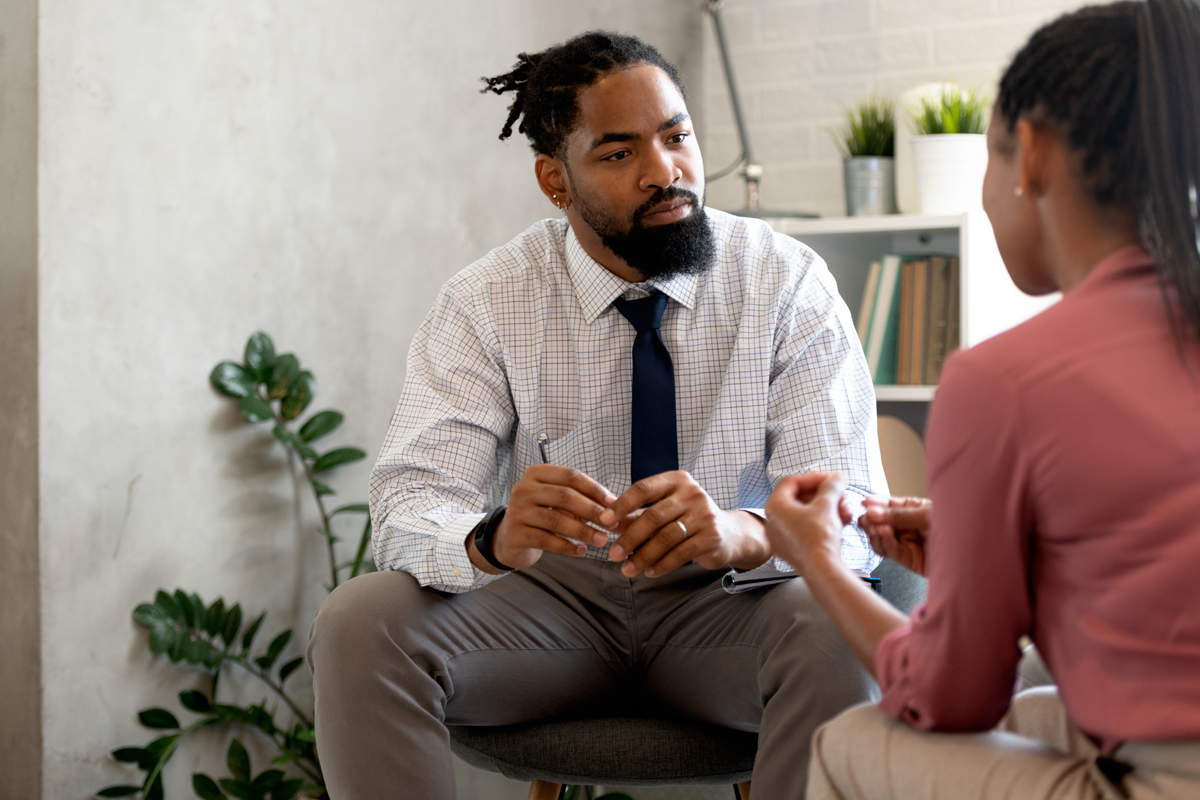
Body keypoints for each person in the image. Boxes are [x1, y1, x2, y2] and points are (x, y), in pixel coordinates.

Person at [306, 30, 889, 799]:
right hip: (551, 610)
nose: (664, 172)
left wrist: (743, 531)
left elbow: (851, 514)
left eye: (676, 137)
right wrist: (492, 537)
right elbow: (407, 507)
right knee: (358, 622)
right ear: (556, 180)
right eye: (619, 154)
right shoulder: (486, 300)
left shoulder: (786, 282)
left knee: (840, 639)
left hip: (730, 606)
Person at [763, 1, 1200, 798]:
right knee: (1037, 710)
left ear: (1029, 153)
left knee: (853, 740)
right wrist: (1007, 552)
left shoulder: (1003, 379)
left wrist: (818, 560)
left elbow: (951, 695)